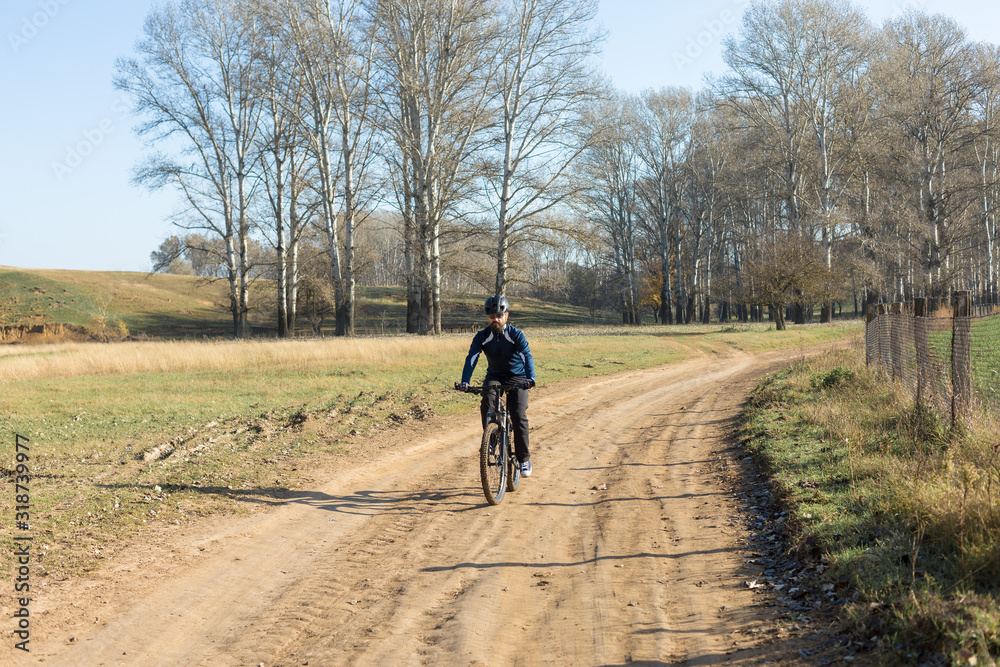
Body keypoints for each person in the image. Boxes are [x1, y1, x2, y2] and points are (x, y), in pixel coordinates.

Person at [455, 295, 536, 477]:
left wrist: (531, 378)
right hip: (495, 376)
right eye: (492, 316)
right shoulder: (482, 336)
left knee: (518, 415)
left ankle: (523, 459)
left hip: (518, 378)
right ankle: (490, 439)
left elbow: (526, 356)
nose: (495, 319)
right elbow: (472, 358)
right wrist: (465, 382)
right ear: (487, 318)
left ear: (506, 316)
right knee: (487, 402)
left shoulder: (516, 335)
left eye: (499, 315)